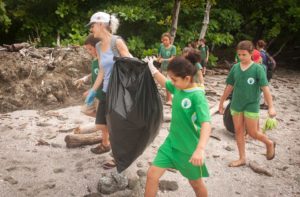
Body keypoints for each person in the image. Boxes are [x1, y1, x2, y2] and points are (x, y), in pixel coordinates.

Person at [144, 56, 211, 197]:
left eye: (175, 80)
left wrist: (200, 149)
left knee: (196, 184)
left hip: (189, 149)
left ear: (187, 78)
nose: (172, 83)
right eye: (172, 79)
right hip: (171, 144)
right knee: (151, 175)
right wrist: (151, 67)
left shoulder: (197, 96)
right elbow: (165, 82)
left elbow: (206, 123)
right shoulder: (179, 88)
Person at [218, 40, 276, 167]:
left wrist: (271, 107)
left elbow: (265, 88)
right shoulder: (235, 68)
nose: (241, 57)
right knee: (238, 132)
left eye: (244, 54)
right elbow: (230, 85)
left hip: (251, 104)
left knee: (252, 133)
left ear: (251, 54)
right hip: (236, 104)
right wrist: (222, 101)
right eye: (239, 55)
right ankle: (242, 158)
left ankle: (269, 143)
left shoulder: (258, 69)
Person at [85, 11, 131, 168]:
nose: (91, 29)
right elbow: (102, 71)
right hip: (105, 91)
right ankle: (115, 146)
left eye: (92, 26)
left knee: (115, 127)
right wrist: (93, 90)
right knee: (101, 124)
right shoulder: (98, 46)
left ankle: (119, 157)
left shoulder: (116, 42)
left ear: (100, 24)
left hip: (118, 93)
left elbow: (131, 64)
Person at [74, 34, 103, 118]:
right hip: (95, 93)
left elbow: (102, 76)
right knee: (85, 110)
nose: (89, 52)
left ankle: (104, 124)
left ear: (97, 47)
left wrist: (91, 90)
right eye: (87, 50)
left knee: (101, 118)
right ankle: (103, 122)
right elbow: (95, 72)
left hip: (100, 94)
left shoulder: (102, 60)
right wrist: (85, 78)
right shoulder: (95, 59)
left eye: (90, 49)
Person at [157, 32, 176, 106]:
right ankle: (169, 97)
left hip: (170, 68)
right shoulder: (161, 46)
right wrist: (158, 58)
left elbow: (172, 58)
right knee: (163, 83)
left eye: (166, 40)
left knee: (168, 83)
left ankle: (169, 100)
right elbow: (159, 55)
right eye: (163, 40)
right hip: (162, 68)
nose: (165, 41)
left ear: (170, 40)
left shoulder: (173, 47)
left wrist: (163, 60)